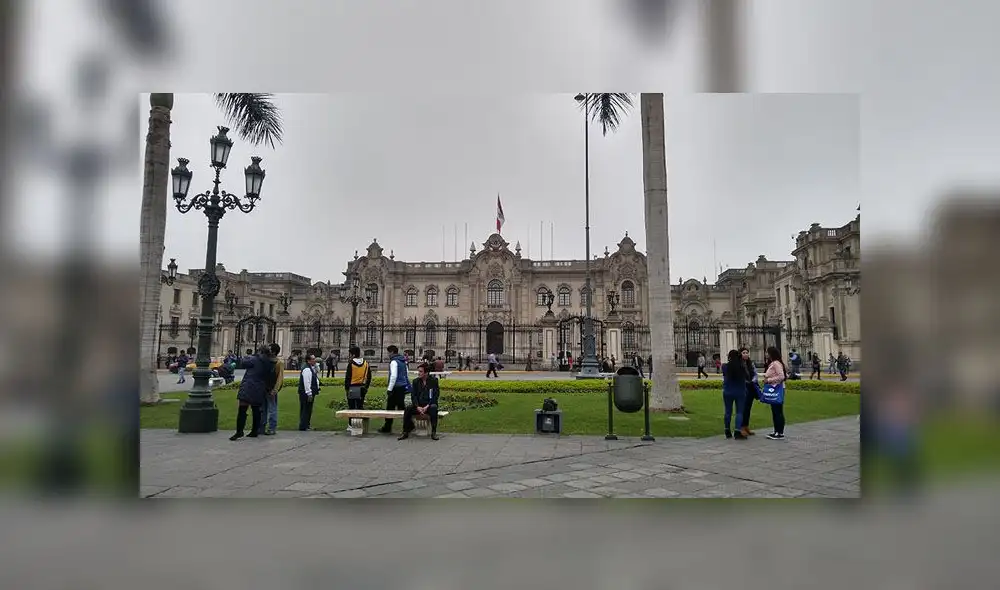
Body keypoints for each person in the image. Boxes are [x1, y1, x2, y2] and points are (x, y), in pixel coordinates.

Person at [229, 346, 277, 441]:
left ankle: (239, 431)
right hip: (260, 388)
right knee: (256, 410)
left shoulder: (254, 359)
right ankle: (255, 430)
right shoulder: (270, 363)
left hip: (248, 385)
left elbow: (243, 363)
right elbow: (271, 376)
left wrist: (251, 356)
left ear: (259, 351)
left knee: (242, 409)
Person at [398, 363, 440, 441]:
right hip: (419, 406)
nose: (419, 373)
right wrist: (417, 406)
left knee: (434, 408)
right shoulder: (415, 381)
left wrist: (427, 406)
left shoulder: (433, 381)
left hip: (429, 405)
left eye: (421, 371)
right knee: (408, 408)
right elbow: (413, 396)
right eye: (418, 371)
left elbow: (435, 395)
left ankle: (433, 432)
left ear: (426, 373)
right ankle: (405, 432)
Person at [379, 345, 411, 434]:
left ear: (392, 352)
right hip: (402, 386)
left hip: (395, 387)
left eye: (388, 352)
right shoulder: (403, 361)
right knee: (401, 407)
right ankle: (409, 425)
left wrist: (389, 389)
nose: (388, 354)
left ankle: (387, 427)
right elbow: (406, 373)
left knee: (390, 407)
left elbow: (393, 376)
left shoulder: (394, 362)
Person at [763, 345, 788, 440]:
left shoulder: (776, 363)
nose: (766, 354)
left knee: (777, 411)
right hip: (776, 388)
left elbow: (782, 376)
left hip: (776, 389)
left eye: (767, 352)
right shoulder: (776, 363)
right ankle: (777, 431)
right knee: (776, 411)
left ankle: (779, 432)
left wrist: (769, 380)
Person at [722, 349, 747, 440]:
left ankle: (727, 430)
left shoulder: (725, 366)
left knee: (728, 411)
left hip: (728, 391)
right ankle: (737, 431)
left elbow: (725, 375)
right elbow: (747, 377)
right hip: (740, 391)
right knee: (739, 412)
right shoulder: (741, 366)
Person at [260, 342, 284, 435]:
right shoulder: (265, 360)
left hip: (271, 389)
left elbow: (280, 377)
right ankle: (261, 427)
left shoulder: (278, 363)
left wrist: (275, 389)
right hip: (263, 388)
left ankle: (272, 428)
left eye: (269, 349)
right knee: (263, 409)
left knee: (272, 409)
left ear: (273, 352)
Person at [343, 345, 372, 410]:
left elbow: (348, 378)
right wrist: (366, 387)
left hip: (352, 387)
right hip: (362, 387)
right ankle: (360, 419)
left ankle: (352, 420)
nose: (349, 356)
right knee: (360, 406)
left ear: (353, 355)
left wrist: (347, 389)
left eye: (350, 354)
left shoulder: (351, 364)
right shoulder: (366, 363)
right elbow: (369, 377)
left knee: (352, 408)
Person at [738, 347, 758, 437]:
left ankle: (746, 426)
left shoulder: (751, 363)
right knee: (743, 408)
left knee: (748, 408)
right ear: (740, 354)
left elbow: (755, 373)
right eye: (744, 353)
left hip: (751, 388)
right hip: (743, 388)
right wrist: (746, 381)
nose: (746, 354)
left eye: (747, 352)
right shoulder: (739, 364)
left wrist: (753, 380)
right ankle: (741, 427)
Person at [297, 354, 320, 431]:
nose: (314, 360)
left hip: (306, 392)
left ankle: (306, 424)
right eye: (313, 359)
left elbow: (318, 371)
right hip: (306, 393)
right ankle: (304, 425)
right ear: (308, 360)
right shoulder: (307, 369)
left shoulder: (310, 367)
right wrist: (309, 393)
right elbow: (307, 382)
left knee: (307, 409)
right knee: (306, 409)